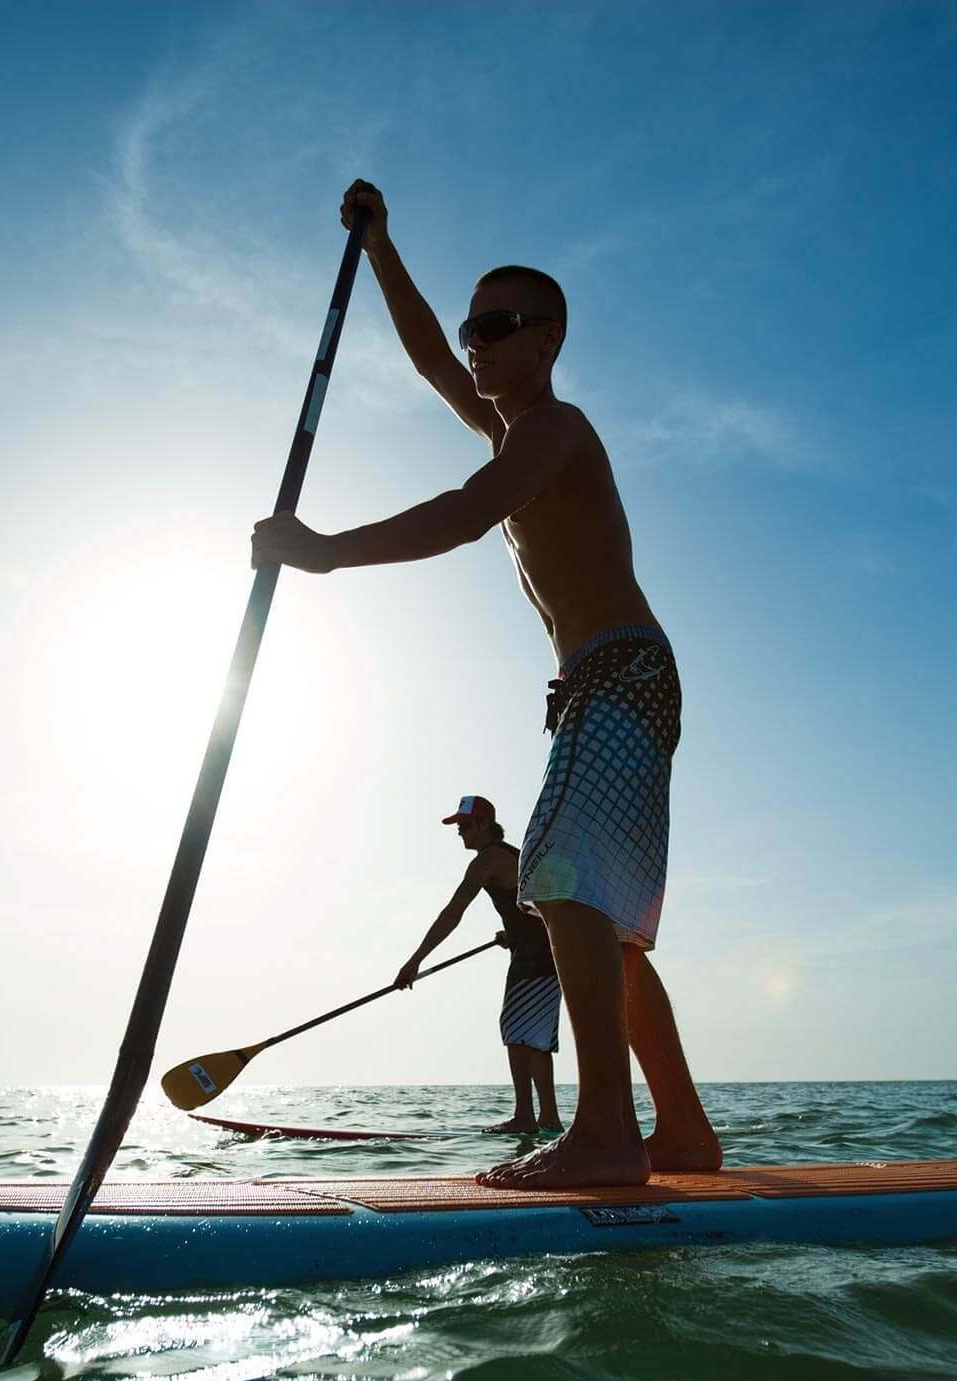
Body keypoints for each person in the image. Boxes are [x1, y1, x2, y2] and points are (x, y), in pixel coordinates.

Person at [253, 179, 722, 1189]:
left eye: (500, 328)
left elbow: (470, 513)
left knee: (555, 879)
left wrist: (324, 552)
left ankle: (603, 1135)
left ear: (548, 340)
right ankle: (680, 1135)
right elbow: (428, 358)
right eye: (476, 328)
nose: (478, 344)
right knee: (603, 925)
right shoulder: (512, 427)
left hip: (621, 672)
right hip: (610, 680)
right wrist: (380, 249)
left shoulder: (553, 429)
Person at [397, 794, 564, 1135]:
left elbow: (453, 913)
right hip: (548, 952)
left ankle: (525, 1117)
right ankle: (547, 1118)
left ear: (485, 825)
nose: (460, 832)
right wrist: (512, 932)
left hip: (536, 956)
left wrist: (414, 961)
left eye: (464, 826)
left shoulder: (488, 860)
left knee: (517, 1032)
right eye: (458, 827)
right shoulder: (513, 855)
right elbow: (533, 906)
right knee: (535, 1037)